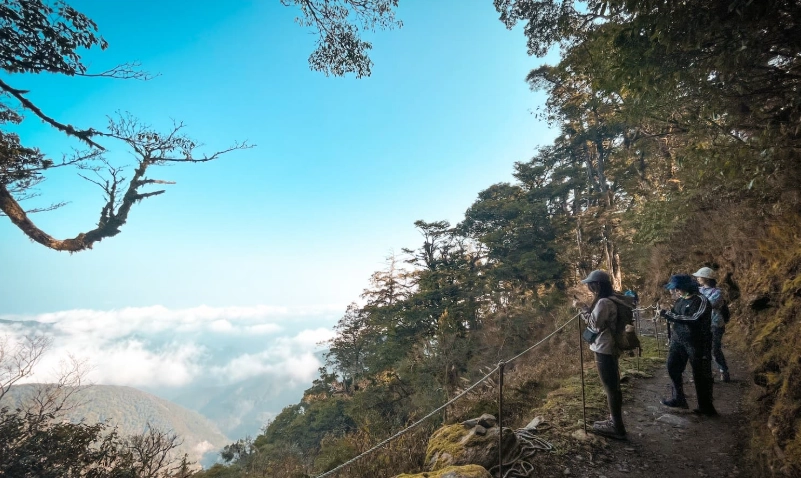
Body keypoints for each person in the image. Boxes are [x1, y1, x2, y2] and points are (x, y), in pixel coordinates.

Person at [576, 270, 627, 440]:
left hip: (604, 348)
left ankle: (617, 427)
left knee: (610, 387)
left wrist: (582, 308)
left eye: (590, 284)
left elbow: (594, 324)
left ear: (597, 285)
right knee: (613, 385)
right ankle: (615, 421)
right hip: (610, 346)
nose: (589, 287)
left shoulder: (604, 302)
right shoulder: (613, 298)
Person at [659, 274, 717, 416]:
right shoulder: (680, 300)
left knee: (700, 374)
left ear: (686, 287)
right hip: (678, 340)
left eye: (677, 288)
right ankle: (679, 398)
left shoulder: (701, 300)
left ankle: (706, 406)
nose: (676, 291)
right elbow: (674, 314)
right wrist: (667, 312)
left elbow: (694, 318)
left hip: (698, 342)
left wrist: (669, 315)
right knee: (672, 367)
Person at [693, 267, 730, 382]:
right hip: (701, 324)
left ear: (707, 278)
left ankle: (723, 370)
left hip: (715, 323)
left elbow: (709, 305)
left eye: (700, 276)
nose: (698, 278)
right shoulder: (697, 290)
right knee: (702, 350)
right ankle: (706, 373)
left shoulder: (717, 292)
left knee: (714, 349)